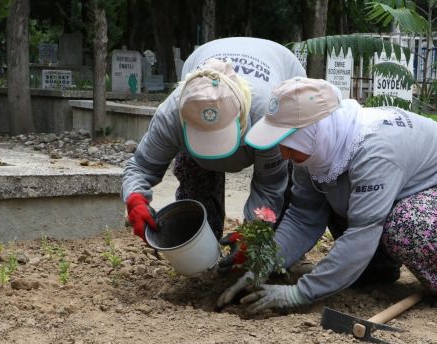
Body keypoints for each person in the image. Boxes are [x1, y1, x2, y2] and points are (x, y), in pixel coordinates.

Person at [217, 77, 437, 313]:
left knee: (407, 226)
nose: (282, 153)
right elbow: (303, 217)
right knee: (341, 195)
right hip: (416, 194)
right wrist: (261, 267)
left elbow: (363, 230)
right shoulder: (318, 150)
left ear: (312, 133)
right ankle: (377, 268)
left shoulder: (374, 150)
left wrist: (298, 294)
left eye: (287, 143)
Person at [122, 37, 306, 254]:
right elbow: (141, 167)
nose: (214, 154)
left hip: (282, 69)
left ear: (240, 120)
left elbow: (270, 185)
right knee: (194, 178)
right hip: (204, 60)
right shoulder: (172, 113)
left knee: (290, 167)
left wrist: (253, 230)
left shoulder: (268, 117)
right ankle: (205, 251)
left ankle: (279, 251)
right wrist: (135, 199)